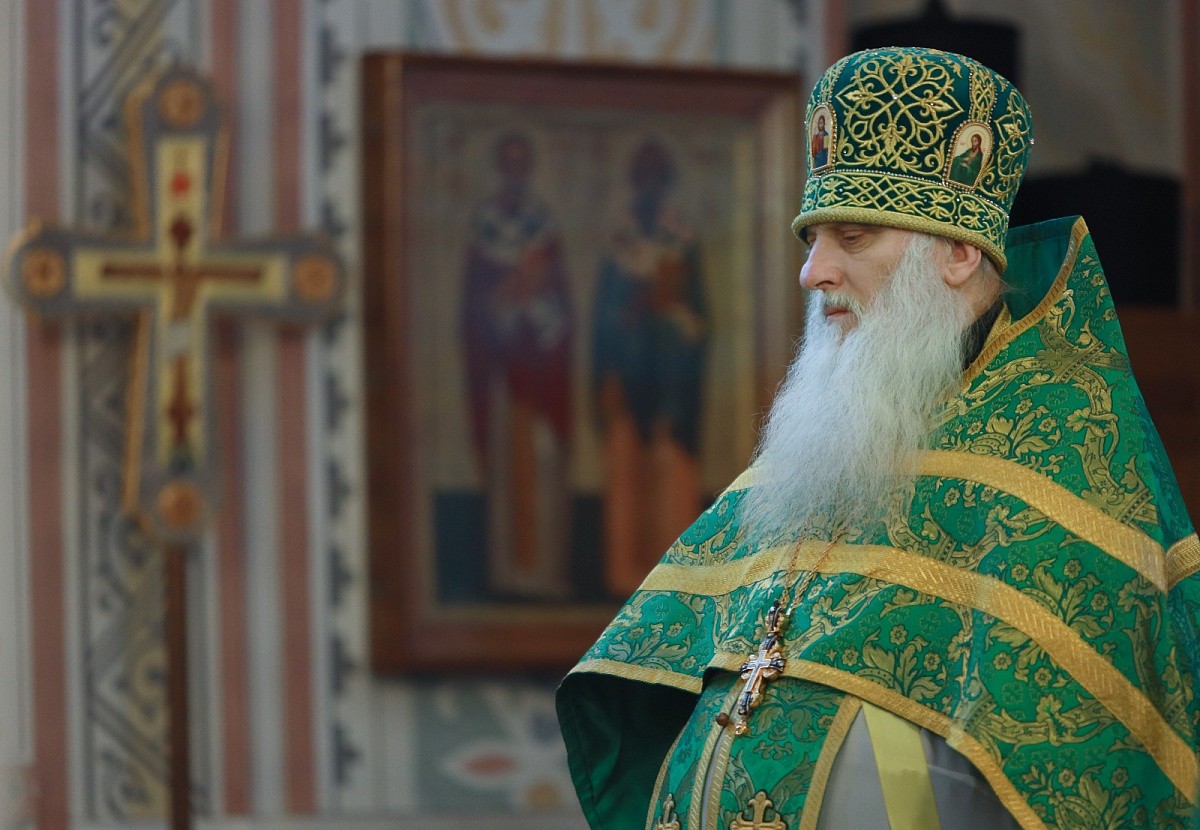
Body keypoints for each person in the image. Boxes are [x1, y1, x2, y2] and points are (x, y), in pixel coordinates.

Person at [558, 47, 1200, 829]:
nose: (813, 272)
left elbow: (1099, 781)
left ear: (959, 252)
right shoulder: (830, 445)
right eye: (812, 240)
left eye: (853, 237)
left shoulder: (1071, 456)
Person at [591, 139, 708, 597]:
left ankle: (673, 588)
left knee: (671, 473)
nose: (649, 186)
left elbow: (700, 320)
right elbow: (603, 320)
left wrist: (668, 307)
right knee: (624, 474)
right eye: (642, 176)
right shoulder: (618, 244)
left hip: (672, 386)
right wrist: (631, 312)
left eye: (656, 176)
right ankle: (623, 581)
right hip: (626, 381)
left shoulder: (682, 241)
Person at [460, 131, 573, 598]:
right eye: (507, 162)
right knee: (507, 469)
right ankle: (507, 575)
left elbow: (561, 304)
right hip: (502, 379)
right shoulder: (484, 228)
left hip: (541, 377)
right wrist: (503, 303)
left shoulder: (543, 227)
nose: (514, 172)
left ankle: (546, 575)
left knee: (544, 461)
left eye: (521, 163)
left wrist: (539, 309)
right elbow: (473, 309)